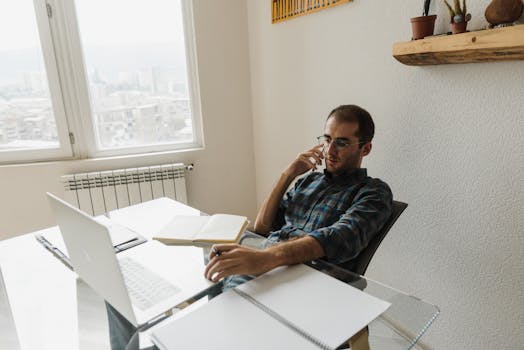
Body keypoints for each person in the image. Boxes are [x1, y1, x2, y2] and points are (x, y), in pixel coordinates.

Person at [204, 104, 393, 286]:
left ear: (365, 149)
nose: (330, 150)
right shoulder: (309, 181)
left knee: (220, 300)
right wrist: (288, 175)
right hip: (266, 263)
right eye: (327, 140)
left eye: (342, 143)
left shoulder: (374, 192)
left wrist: (266, 257)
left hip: (304, 279)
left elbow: (339, 238)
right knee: (206, 276)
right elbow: (262, 226)